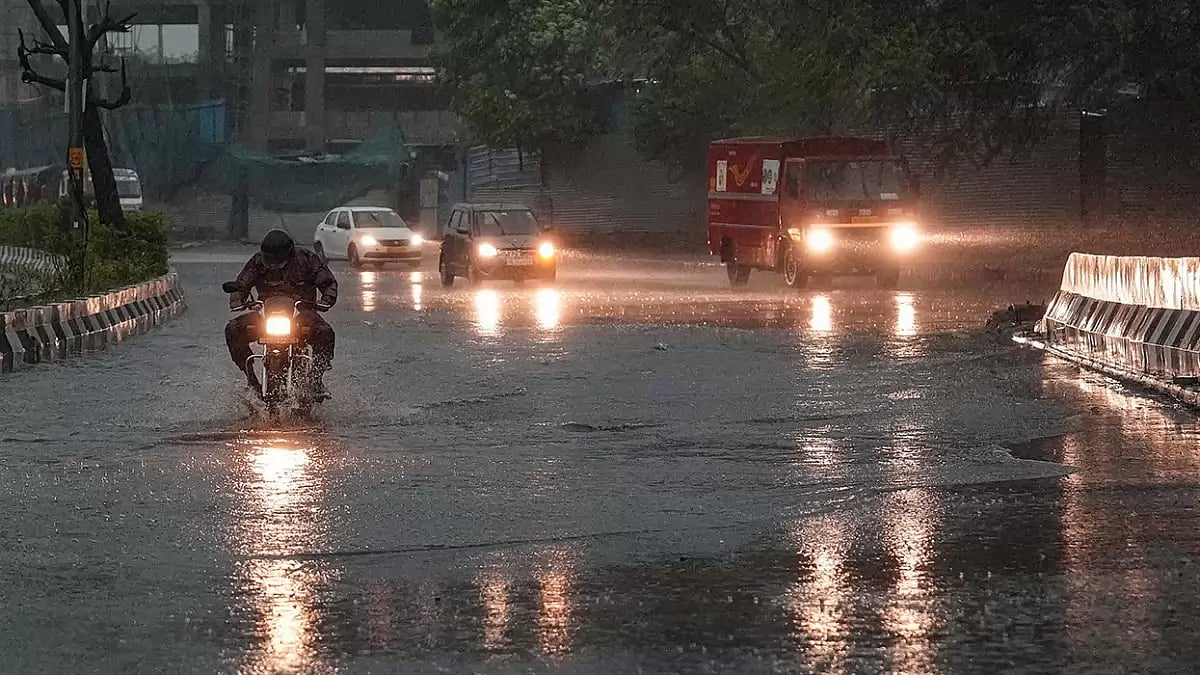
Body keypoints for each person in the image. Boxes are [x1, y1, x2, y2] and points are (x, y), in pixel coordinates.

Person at [225, 229, 338, 394]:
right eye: (269, 259)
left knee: (326, 333)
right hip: (266, 314)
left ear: (289, 253)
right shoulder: (257, 262)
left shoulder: (306, 259)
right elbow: (242, 282)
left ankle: (316, 379)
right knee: (233, 329)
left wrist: (326, 300)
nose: (273, 264)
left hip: (301, 313)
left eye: (277, 259)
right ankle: (250, 376)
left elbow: (327, 281)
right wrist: (238, 300)